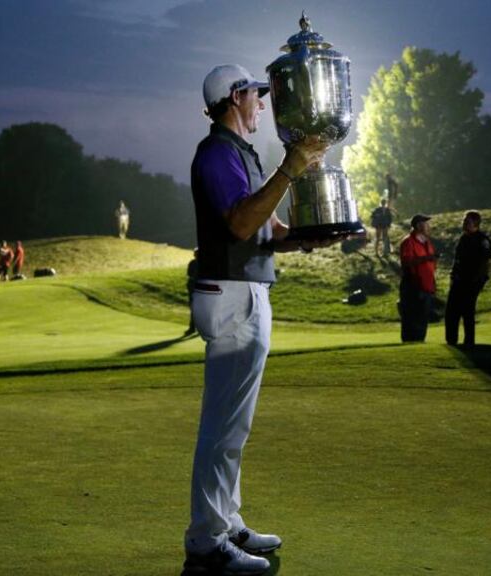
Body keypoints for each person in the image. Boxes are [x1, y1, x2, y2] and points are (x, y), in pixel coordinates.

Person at [183, 63, 336, 576]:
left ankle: (226, 521)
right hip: (228, 293)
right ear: (233, 99)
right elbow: (241, 222)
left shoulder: (242, 154)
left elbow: (267, 229)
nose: (263, 103)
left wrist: (316, 234)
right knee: (222, 426)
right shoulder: (215, 154)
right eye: (255, 94)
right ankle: (206, 540)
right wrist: (288, 170)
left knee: (236, 426)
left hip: (247, 288)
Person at [445, 210, 491, 347]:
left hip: (472, 281)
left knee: (467, 310)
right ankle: (451, 340)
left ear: (476, 223)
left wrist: (478, 281)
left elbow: (485, 262)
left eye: (467, 221)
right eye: (464, 221)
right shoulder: (463, 238)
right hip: (459, 279)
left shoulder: (482, 240)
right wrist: (453, 275)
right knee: (451, 310)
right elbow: (457, 259)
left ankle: (469, 341)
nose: (464, 223)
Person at [399, 214, 437, 343]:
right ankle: (409, 343)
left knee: (422, 318)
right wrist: (426, 258)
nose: (428, 226)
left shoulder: (428, 242)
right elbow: (407, 263)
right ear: (418, 225)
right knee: (411, 317)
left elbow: (432, 266)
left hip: (426, 286)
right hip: (413, 285)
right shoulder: (408, 242)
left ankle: (419, 342)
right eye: (425, 223)